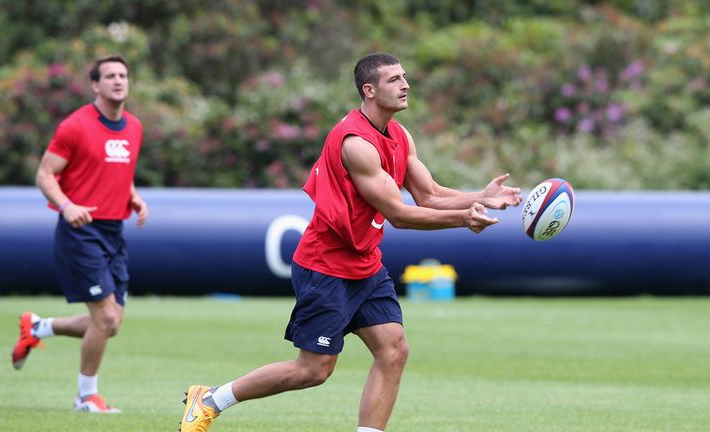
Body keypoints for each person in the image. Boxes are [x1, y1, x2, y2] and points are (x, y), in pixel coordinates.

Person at [178, 52, 522, 432]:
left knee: (393, 349)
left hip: (365, 264)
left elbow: (428, 194)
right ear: (369, 90)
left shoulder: (399, 135)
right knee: (313, 370)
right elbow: (400, 214)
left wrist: (481, 196)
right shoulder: (356, 143)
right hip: (325, 265)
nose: (405, 84)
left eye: (404, 76)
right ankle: (211, 399)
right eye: (394, 80)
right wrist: (463, 218)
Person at [11, 55, 148, 413]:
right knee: (104, 318)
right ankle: (86, 397)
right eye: (110, 76)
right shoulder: (75, 126)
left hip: (114, 232)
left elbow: (118, 171)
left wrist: (132, 196)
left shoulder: (134, 126)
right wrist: (66, 205)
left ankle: (38, 327)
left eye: (123, 74)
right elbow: (44, 174)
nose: (118, 81)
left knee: (111, 323)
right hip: (80, 231)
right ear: (95, 85)